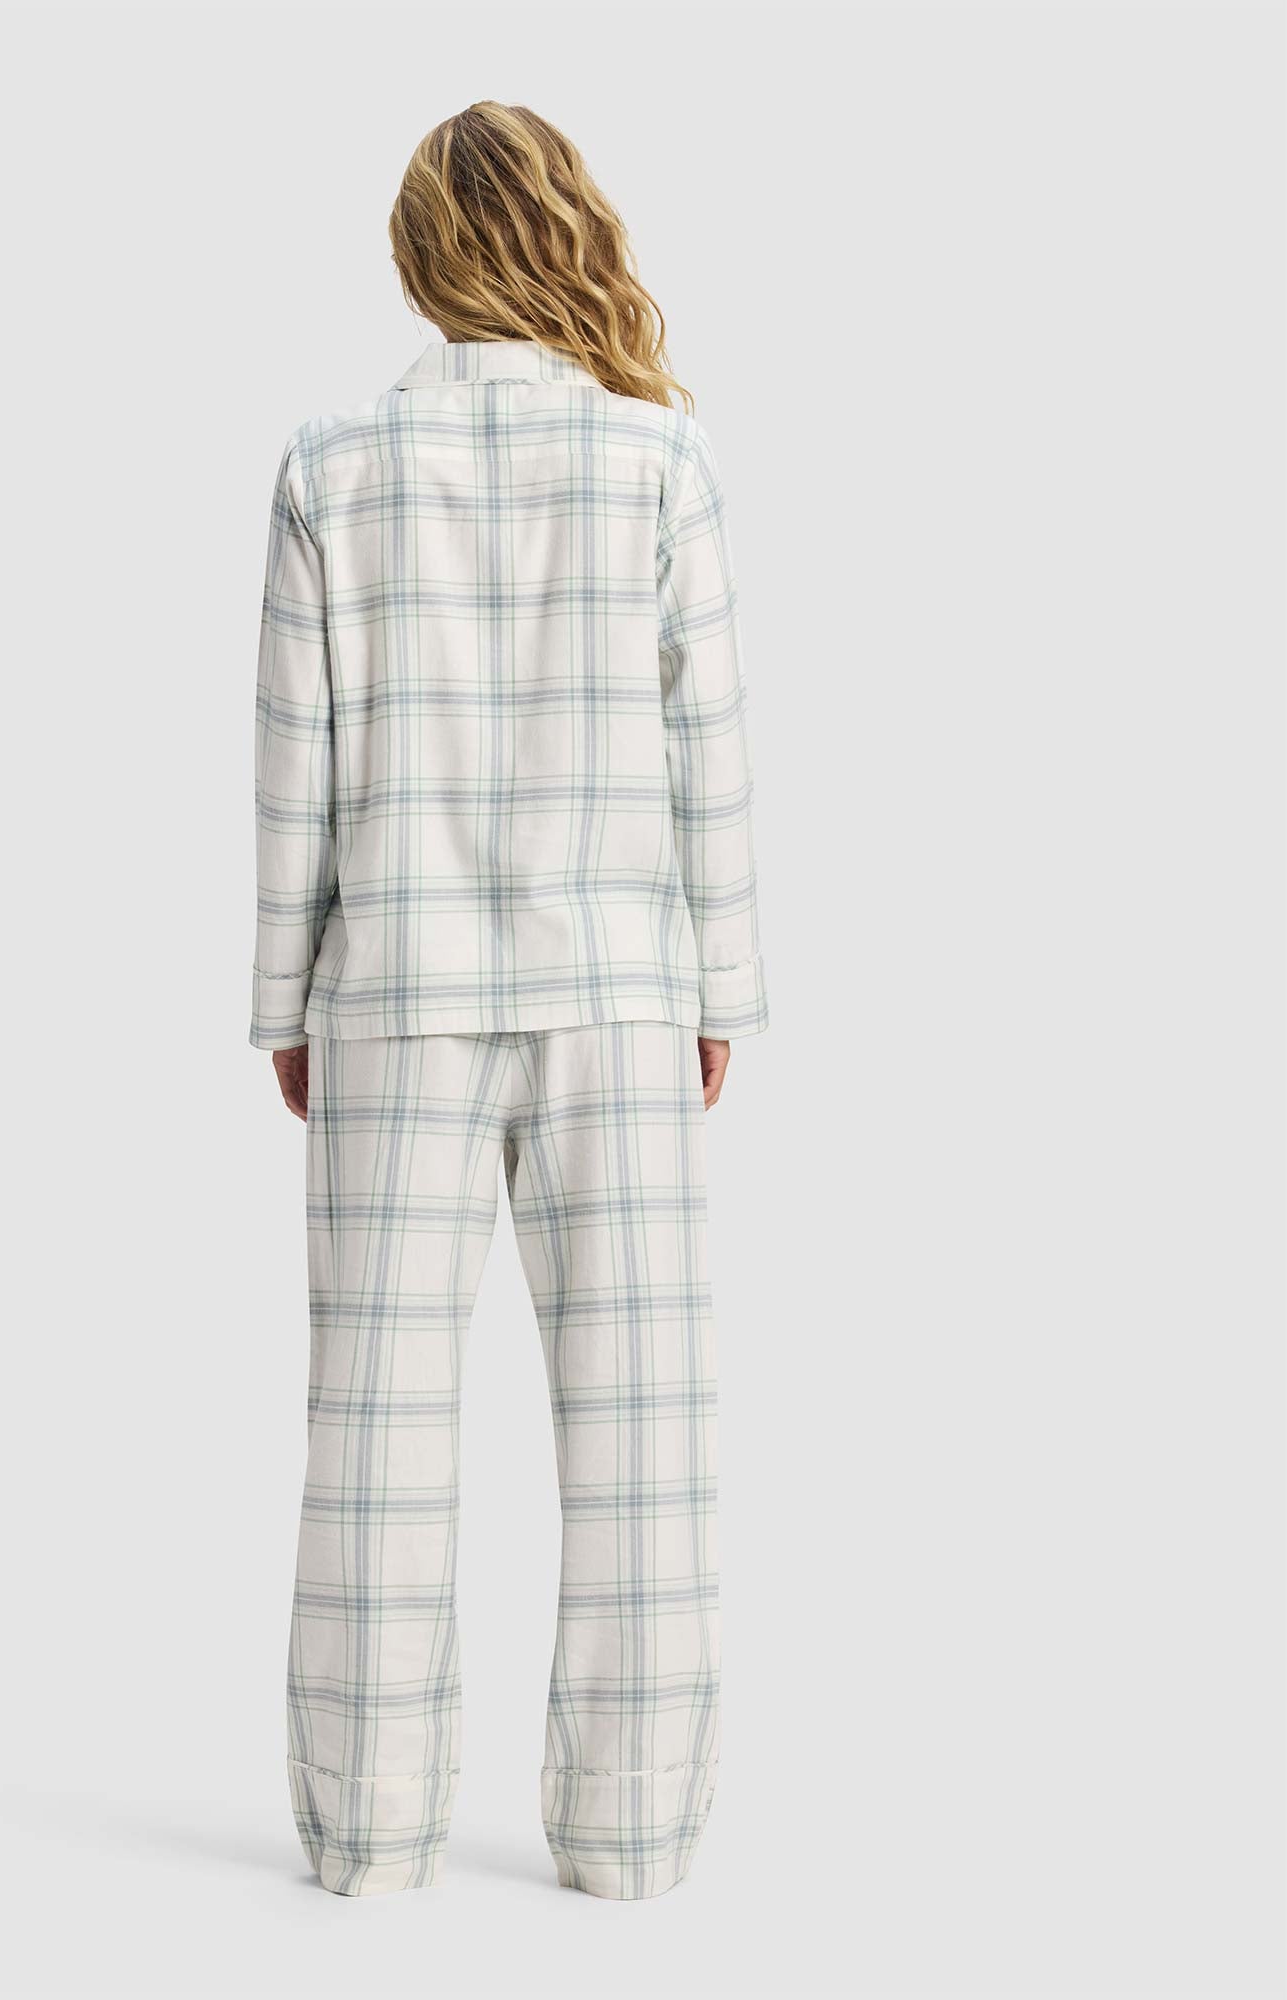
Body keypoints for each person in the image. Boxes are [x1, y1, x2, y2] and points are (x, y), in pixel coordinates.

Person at [251, 101, 767, 1901]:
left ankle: (367, 1833)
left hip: (390, 989)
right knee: (642, 1439)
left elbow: (293, 765)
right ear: (566, 235)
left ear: (421, 257)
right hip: (620, 995)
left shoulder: (330, 469)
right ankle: (632, 1835)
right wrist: (720, 990)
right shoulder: (660, 461)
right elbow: (710, 751)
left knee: (372, 1437)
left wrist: (284, 1001)